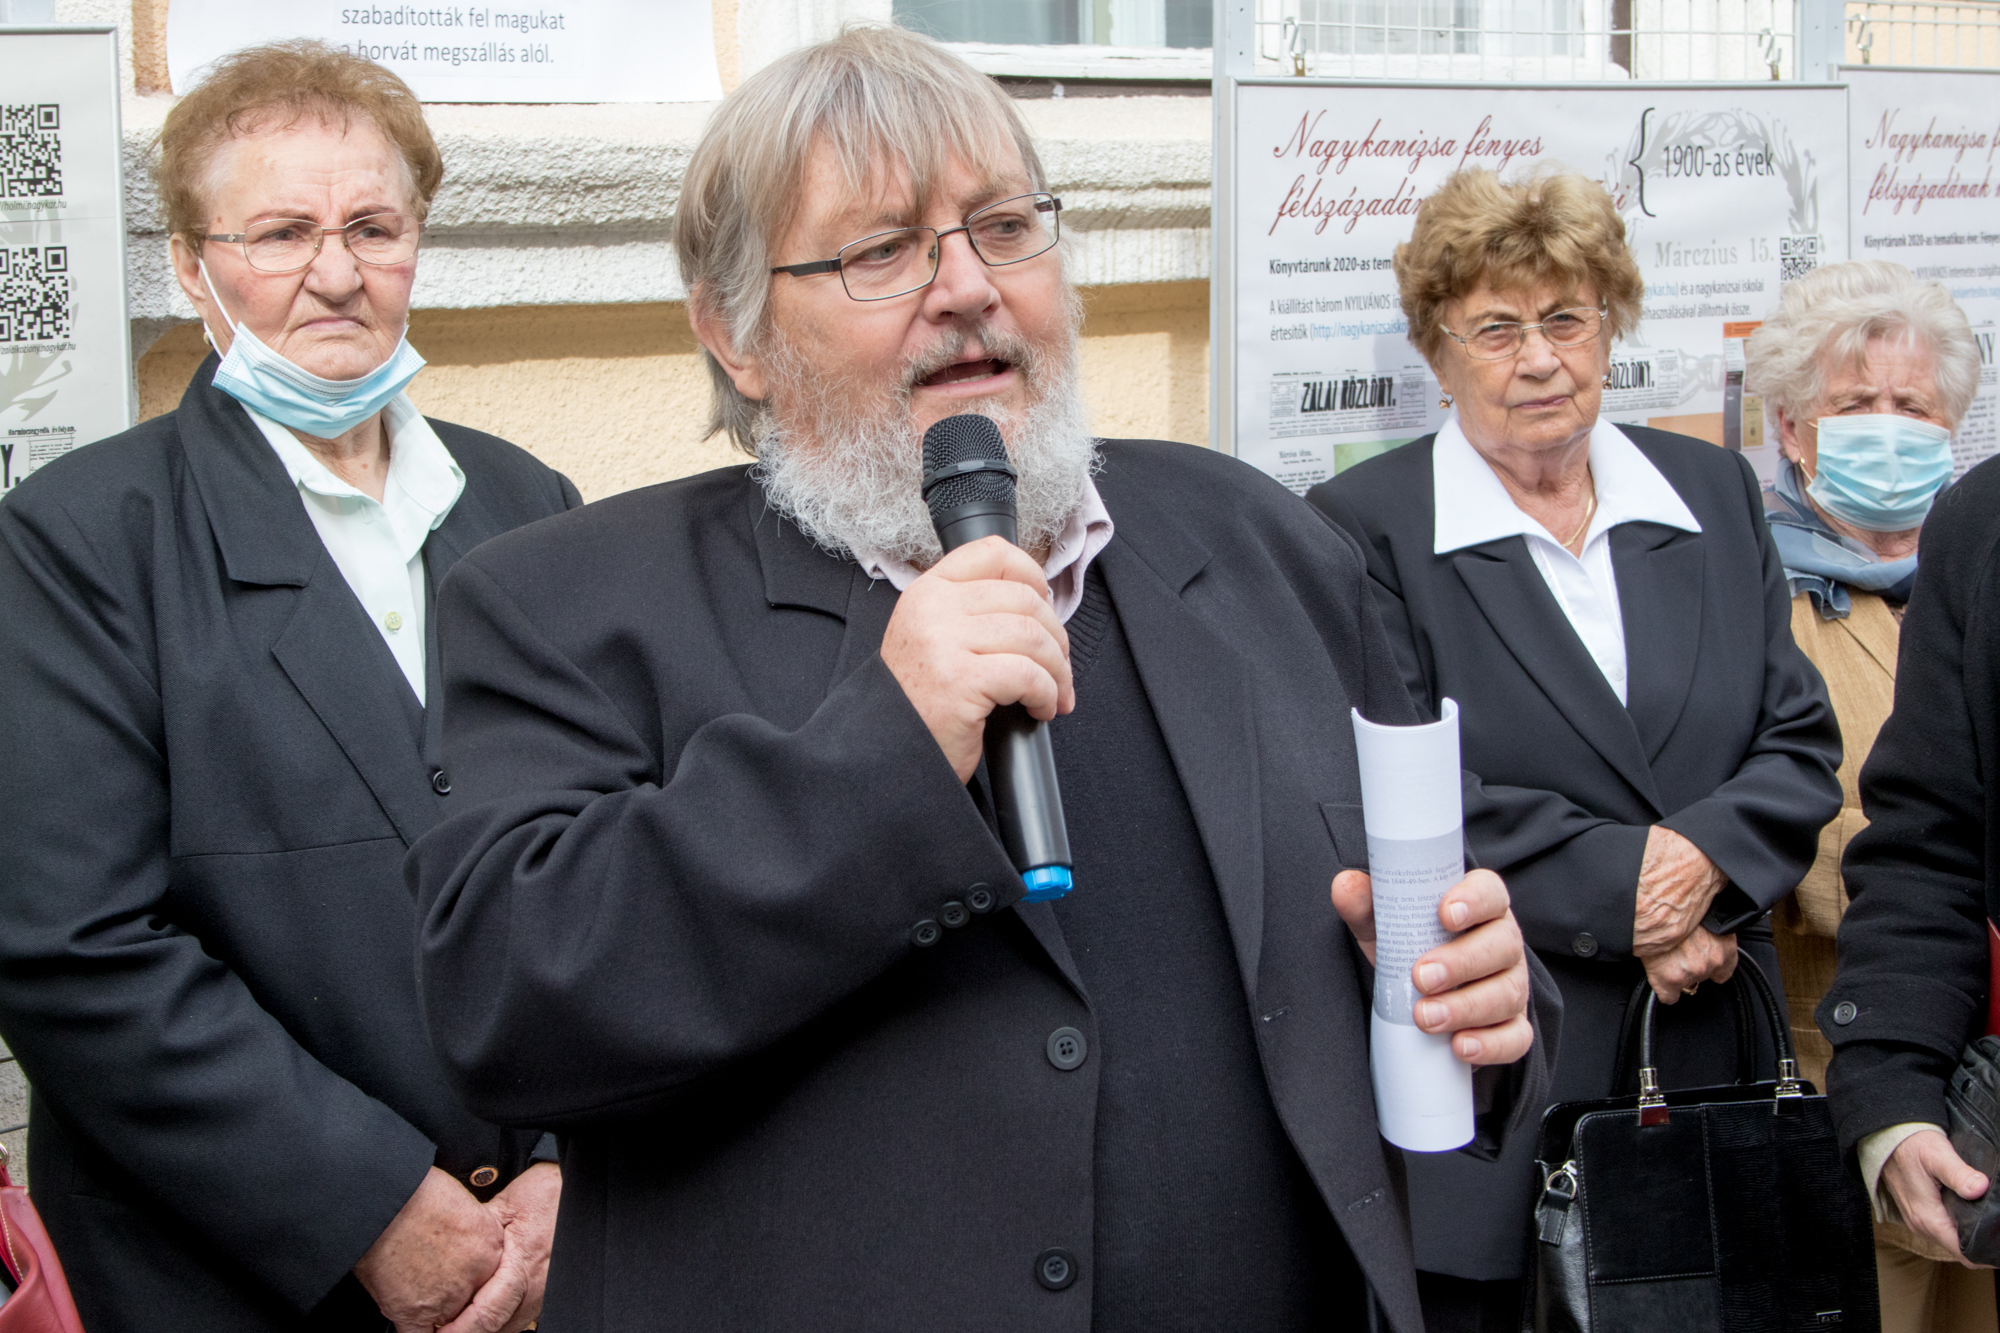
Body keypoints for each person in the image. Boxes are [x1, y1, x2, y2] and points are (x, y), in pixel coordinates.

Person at [405, 26, 1556, 1333]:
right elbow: (506, 1010)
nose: (965, 287)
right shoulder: (567, 602)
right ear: (736, 333)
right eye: (881, 250)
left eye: (1005, 227)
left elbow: (1457, 924)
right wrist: (882, 751)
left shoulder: (1262, 544)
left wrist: (1489, 1002)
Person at [0, 41, 578, 1333]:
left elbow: (608, 866)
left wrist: (566, 1164)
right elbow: (72, 948)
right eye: (280, 233)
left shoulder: (529, 506)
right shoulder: (79, 539)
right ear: (191, 266)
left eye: (373, 226)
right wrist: (371, 1207)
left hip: (542, 1255)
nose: (336, 272)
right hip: (236, 1277)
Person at [1308, 167, 1842, 1331]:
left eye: (1565, 317)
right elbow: (1396, 785)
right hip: (1510, 1083)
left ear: (1609, 325)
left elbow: (1796, 739)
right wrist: (1628, 893)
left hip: (1708, 1063)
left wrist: (1698, 870)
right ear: (1437, 352)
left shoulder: (1708, 489)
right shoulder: (1362, 529)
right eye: (1496, 328)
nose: (1539, 358)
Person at [1743, 259, 1991, 1333]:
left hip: (1985, 1087)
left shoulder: (1972, 571)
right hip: (1837, 1074)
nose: (1887, 427)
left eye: (1912, 406)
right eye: (1855, 405)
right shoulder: (1754, 597)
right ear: (1793, 430)